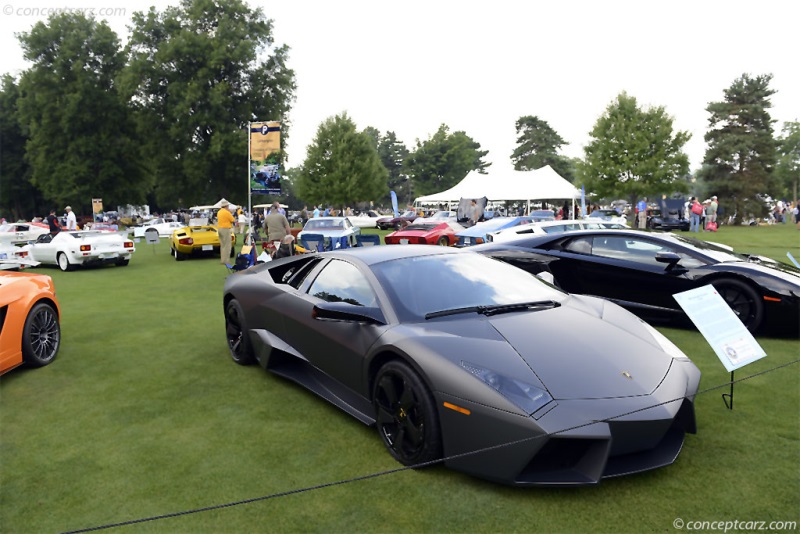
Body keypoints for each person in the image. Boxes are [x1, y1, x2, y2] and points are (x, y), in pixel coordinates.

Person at [216, 200, 235, 265]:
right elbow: (232, 219)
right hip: (225, 228)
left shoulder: (219, 212)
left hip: (220, 228)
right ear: (226, 206)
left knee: (223, 245)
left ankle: (223, 260)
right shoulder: (227, 212)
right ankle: (226, 260)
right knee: (227, 245)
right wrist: (230, 212)